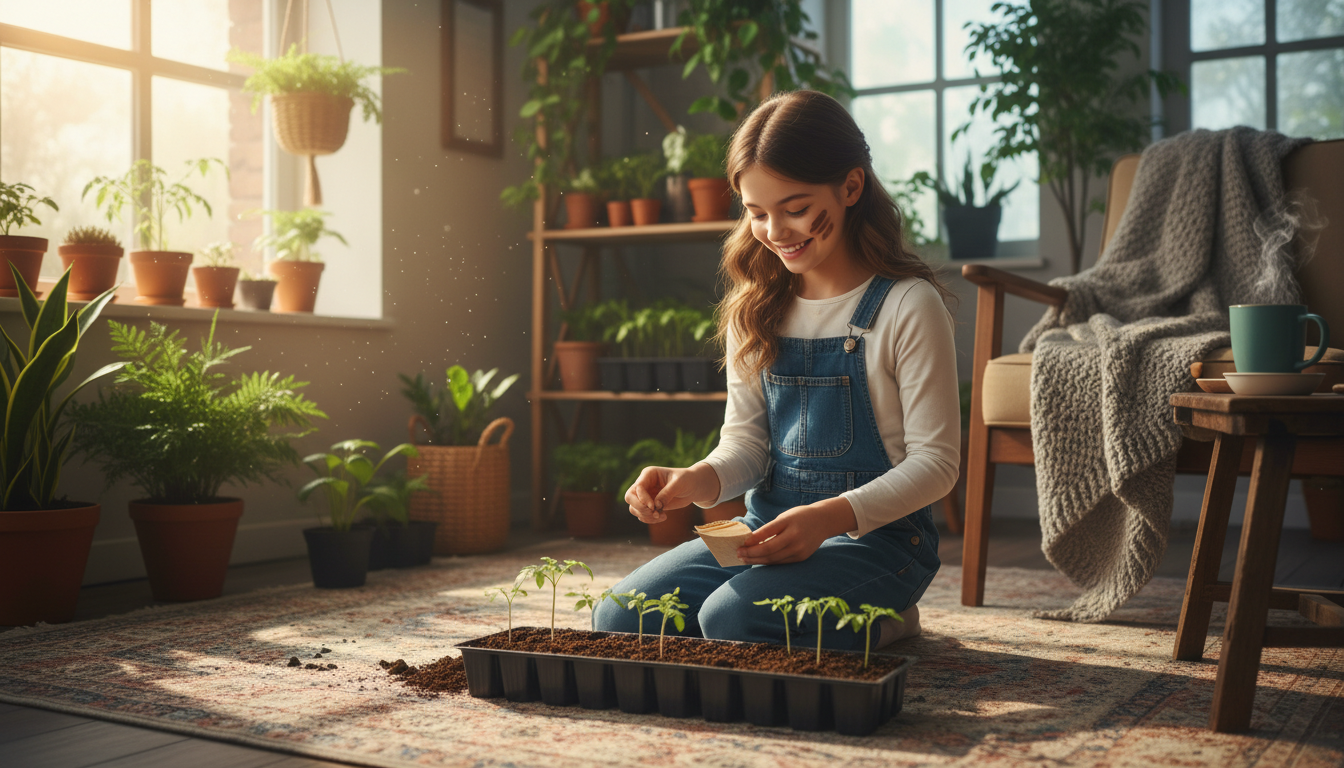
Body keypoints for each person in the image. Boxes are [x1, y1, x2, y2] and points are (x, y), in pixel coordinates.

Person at [592, 90, 960, 652]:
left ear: (851, 188)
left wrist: (827, 518)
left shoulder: (908, 305)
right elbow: (746, 446)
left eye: (793, 207)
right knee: (620, 617)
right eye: (756, 212)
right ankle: (824, 624)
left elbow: (937, 465)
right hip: (759, 537)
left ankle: (889, 620)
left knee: (733, 622)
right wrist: (694, 481)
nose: (776, 231)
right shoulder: (756, 307)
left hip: (877, 545)